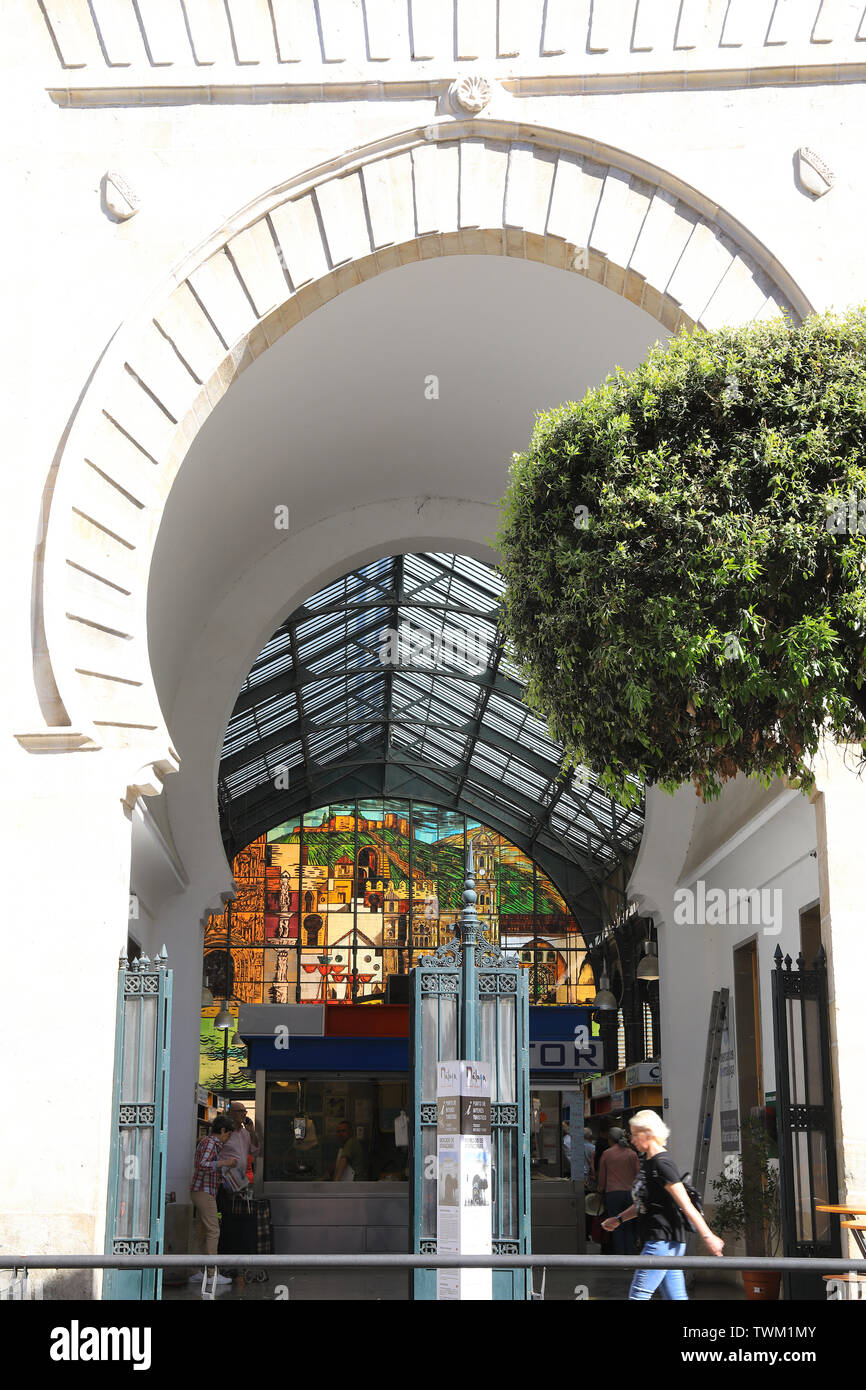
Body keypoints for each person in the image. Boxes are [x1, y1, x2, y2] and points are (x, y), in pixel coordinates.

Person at [601, 1109, 724, 1300]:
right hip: (664, 1241)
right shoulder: (648, 1161)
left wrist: (708, 1236)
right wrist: (619, 1219)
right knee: (675, 1297)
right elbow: (645, 1203)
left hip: (661, 1240)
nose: (631, 1139)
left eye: (634, 1134)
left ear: (648, 1133)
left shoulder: (662, 1164)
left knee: (638, 1294)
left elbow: (685, 1204)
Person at [189, 1115, 238, 1288]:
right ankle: (211, 1274)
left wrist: (224, 1166)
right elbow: (202, 1165)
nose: (228, 1138)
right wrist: (224, 1162)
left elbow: (207, 1166)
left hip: (201, 1190)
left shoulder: (209, 1142)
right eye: (229, 1134)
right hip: (204, 1191)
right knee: (213, 1231)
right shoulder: (211, 1143)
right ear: (223, 1131)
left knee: (202, 1232)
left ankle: (195, 1272)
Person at [596, 1126, 639, 1255]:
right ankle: (631, 1255)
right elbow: (638, 1175)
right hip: (630, 1194)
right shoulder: (632, 1154)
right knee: (629, 1224)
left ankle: (620, 1256)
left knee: (616, 1225)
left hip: (613, 1194)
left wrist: (600, 1191)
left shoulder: (607, 1154)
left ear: (610, 1139)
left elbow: (602, 1175)